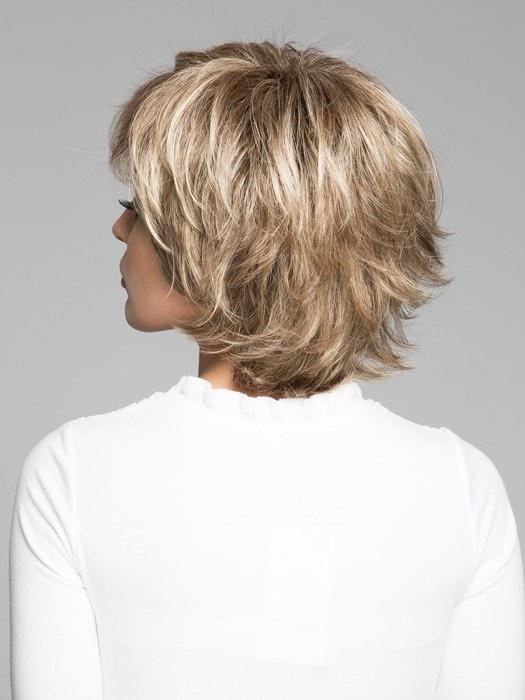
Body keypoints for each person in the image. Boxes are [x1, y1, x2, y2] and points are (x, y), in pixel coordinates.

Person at [9, 40, 524, 699]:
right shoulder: (459, 486)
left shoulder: (76, 470)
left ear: (212, 241)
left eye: (138, 205)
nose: (118, 229)